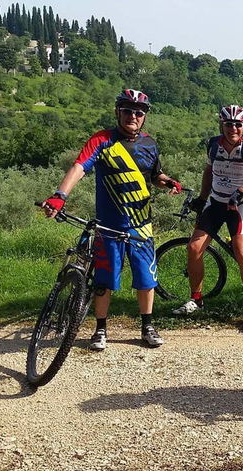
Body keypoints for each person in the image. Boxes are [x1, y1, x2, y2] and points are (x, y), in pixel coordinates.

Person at [41, 89, 182, 350]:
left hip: (141, 224)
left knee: (146, 278)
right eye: (127, 110)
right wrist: (60, 195)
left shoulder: (150, 144)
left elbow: (154, 175)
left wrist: (168, 182)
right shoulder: (102, 140)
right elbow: (79, 167)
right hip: (109, 225)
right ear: (118, 112)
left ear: (144, 117)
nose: (133, 116)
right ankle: (100, 329)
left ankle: (147, 326)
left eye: (139, 112)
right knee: (105, 280)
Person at [171, 105, 243, 330]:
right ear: (222, 125)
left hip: (239, 206)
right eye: (228, 124)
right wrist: (201, 198)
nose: (233, 128)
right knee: (194, 248)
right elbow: (209, 172)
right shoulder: (213, 145)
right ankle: (196, 299)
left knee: (241, 251)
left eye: (238, 124)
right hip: (216, 202)